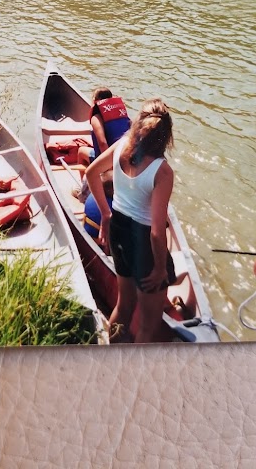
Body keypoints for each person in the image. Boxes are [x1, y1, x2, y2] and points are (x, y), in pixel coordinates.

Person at [86, 97, 176, 344]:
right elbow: (157, 232)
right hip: (143, 243)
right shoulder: (162, 171)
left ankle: (113, 354)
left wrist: (105, 214)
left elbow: (91, 173)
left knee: (123, 306)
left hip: (119, 229)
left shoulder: (121, 145)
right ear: (166, 136)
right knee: (149, 325)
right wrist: (159, 269)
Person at [76, 88, 131, 237]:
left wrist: (107, 165)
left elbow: (102, 142)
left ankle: (83, 193)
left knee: (81, 153)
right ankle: (84, 189)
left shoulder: (96, 117)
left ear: (95, 101)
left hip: (109, 157)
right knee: (82, 151)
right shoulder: (120, 114)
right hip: (124, 156)